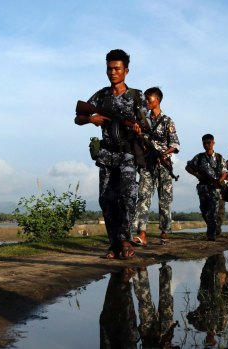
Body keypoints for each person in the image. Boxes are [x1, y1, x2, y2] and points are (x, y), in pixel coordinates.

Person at [74, 49, 146, 259]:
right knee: (106, 200)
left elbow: (144, 122)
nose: (112, 72)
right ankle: (114, 244)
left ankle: (124, 240)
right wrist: (91, 119)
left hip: (127, 155)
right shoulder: (102, 95)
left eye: (117, 68)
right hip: (106, 154)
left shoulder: (136, 96)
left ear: (126, 70)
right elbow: (78, 117)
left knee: (127, 197)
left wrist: (138, 128)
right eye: (109, 68)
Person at [131, 87, 180, 246]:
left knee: (164, 200)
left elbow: (175, 144)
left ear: (157, 100)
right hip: (147, 164)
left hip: (164, 165)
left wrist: (163, 155)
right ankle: (141, 233)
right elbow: (138, 140)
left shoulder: (167, 121)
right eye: (146, 99)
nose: (146, 102)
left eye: (149, 99)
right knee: (143, 196)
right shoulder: (143, 120)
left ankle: (165, 231)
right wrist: (138, 134)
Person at [185, 134, 227, 241]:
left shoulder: (219, 157)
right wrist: (196, 175)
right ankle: (212, 229)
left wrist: (219, 181)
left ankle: (211, 233)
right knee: (204, 210)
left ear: (213, 142)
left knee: (214, 210)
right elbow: (188, 167)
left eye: (209, 142)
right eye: (204, 143)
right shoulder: (199, 157)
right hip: (203, 187)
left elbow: (225, 172)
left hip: (215, 187)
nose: (207, 145)